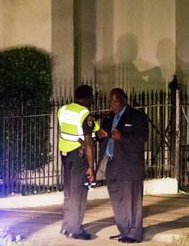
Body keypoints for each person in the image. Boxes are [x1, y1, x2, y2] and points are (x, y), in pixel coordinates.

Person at [96, 88, 148, 243]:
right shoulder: (109, 117)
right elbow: (103, 136)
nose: (113, 104)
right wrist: (101, 136)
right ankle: (124, 230)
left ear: (125, 99)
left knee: (131, 200)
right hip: (112, 164)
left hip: (130, 166)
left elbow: (142, 138)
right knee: (117, 200)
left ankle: (134, 234)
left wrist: (122, 136)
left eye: (116, 100)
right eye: (111, 101)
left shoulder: (137, 116)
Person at [57, 85, 98, 240]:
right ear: (87, 98)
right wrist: (90, 167)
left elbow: (72, 129)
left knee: (68, 192)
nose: (92, 101)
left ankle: (66, 226)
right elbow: (88, 142)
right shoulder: (84, 114)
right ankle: (76, 230)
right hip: (78, 155)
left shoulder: (63, 109)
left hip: (64, 154)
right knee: (79, 193)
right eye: (92, 98)